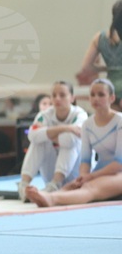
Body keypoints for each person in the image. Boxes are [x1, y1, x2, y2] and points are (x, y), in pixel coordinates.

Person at [26, 79, 122, 207]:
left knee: (91, 187)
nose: (96, 98)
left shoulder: (120, 121)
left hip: (118, 172)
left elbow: (118, 163)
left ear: (112, 98)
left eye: (101, 95)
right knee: (75, 185)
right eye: (92, 95)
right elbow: (85, 160)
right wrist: (83, 177)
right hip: (101, 171)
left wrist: (91, 176)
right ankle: (52, 194)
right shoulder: (87, 124)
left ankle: (52, 199)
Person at [17, 81, 87, 201]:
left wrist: (47, 133)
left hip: (74, 175)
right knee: (38, 142)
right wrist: (65, 128)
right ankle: (24, 185)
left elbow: (70, 140)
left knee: (69, 143)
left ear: (72, 98)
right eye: (54, 95)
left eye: (62, 95)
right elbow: (32, 135)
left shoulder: (80, 114)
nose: (57, 98)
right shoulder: (45, 115)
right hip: (50, 173)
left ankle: (56, 183)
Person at [77, 0, 122, 109]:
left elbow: (86, 67)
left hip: (111, 89)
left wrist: (107, 68)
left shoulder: (100, 37)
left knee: (113, 119)